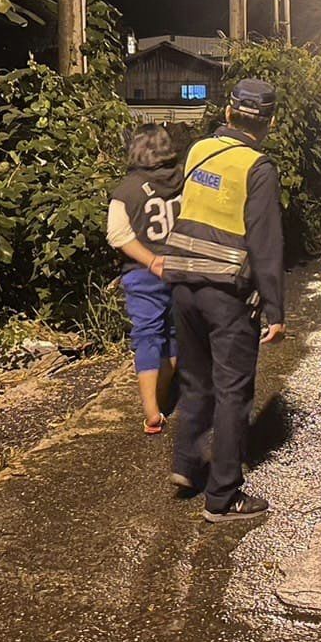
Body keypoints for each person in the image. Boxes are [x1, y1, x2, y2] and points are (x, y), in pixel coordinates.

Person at [161, 80, 286, 523]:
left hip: (182, 286)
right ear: (268, 123)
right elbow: (266, 243)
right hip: (226, 294)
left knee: (197, 382)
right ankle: (224, 496)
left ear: (230, 114)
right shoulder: (259, 167)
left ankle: (188, 466)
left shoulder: (199, 150)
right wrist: (274, 309)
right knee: (234, 392)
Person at [107, 124, 184, 434]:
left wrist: (152, 261)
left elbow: (118, 235)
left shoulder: (127, 189)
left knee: (147, 336)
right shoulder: (185, 182)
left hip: (143, 274)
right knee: (175, 334)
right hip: (182, 270)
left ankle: (152, 411)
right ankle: (164, 398)